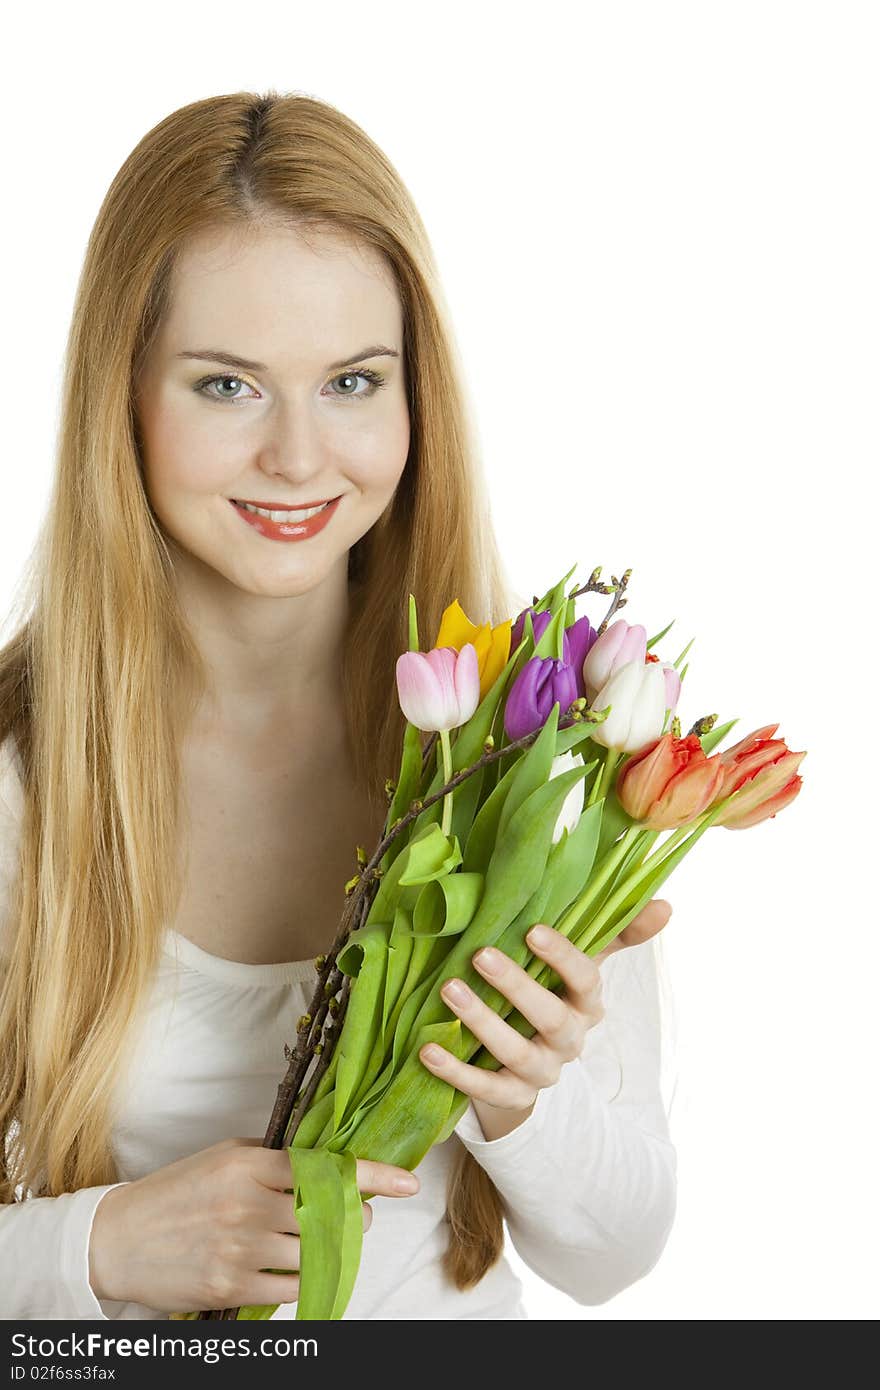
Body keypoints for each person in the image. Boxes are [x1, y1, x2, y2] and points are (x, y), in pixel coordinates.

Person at [0, 90, 678, 1320]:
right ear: (123, 398)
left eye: (355, 382)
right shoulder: (18, 779)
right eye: (227, 387)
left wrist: (529, 1093)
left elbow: (614, 1252)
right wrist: (88, 1249)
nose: (302, 458)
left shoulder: (529, 754)